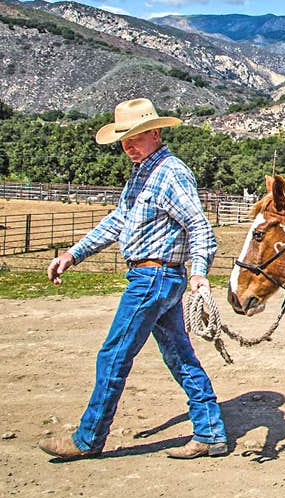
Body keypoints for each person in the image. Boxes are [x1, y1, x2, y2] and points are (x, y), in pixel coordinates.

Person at [40, 98, 227, 461]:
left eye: (136, 136)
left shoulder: (170, 173)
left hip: (153, 277)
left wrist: (200, 272)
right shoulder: (143, 173)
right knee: (180, 357)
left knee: (114, 354)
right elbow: (117, 221)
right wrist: (72, 254)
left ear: (155, 133)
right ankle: (210, 432)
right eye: (124, 139)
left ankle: (88, 438)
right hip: (156, 277)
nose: (128, 145)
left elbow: (199, 226)